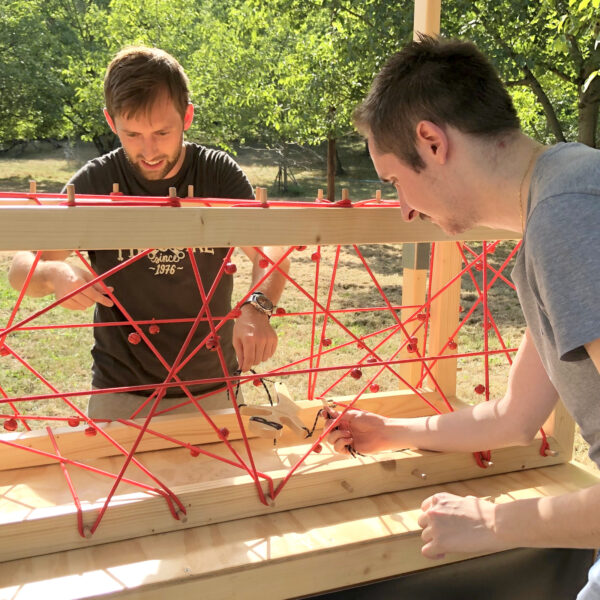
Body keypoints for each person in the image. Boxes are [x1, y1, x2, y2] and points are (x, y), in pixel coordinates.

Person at [324, 35, 600, 598]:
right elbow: (514, 417)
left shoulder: (566, 218)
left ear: (430, 141)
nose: (402, 208)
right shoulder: (565, 193)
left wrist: (494, 523)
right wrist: (388, 433)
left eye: (396, 180)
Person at [9, 46, 289, 420]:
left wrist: (258, 307)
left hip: (214, 385)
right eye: (133, 134)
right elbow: (21, 267)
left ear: (187, 116)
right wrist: (54, 273)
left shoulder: (218, 174)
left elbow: (271, 246)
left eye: (162, 131)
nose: (149, 150)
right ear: (112, 123)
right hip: (120, 393)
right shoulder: (94, 181)